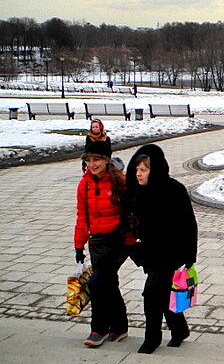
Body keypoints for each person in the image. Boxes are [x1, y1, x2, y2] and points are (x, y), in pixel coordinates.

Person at [126, 144, 197, 355]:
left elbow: (189, 224)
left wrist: (189, 256)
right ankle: (180, 330)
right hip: (151, 253)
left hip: (172, 254)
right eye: (137, 169)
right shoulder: (140, 192)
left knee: (151, 294)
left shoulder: (175, 189)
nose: (138, 174)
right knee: (164, 295)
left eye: (143, 170)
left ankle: (152, 339)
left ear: (154, 170)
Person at [73, 141, 132, 348]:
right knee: (108, 283)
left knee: (97, 282)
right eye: (88, 160)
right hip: (96, 242)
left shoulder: (120, 182)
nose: (92, 164)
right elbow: (82, 216)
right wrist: (79, 246)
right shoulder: (85, 184)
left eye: (96, 159)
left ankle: (98, 328)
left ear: (106, 160)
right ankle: (120, 327)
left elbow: (133, 213)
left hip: (117, 241)